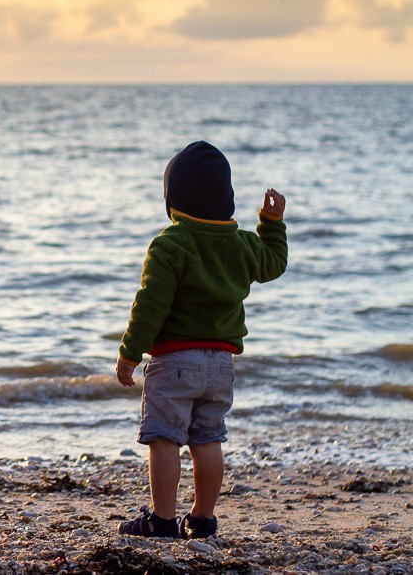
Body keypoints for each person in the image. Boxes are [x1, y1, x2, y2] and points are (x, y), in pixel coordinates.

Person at [116, 140, 288, 539]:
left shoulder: (170, 244)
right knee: (208, 439)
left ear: (172, 202)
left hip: (175, 361)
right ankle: (203, 518)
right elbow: (274, 263)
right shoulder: (244, 243)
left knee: (163, 438)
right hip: (221, 365)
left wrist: (129, 351)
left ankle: (161, 519)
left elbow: (150, 305)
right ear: (226, 199)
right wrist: (271, 223)